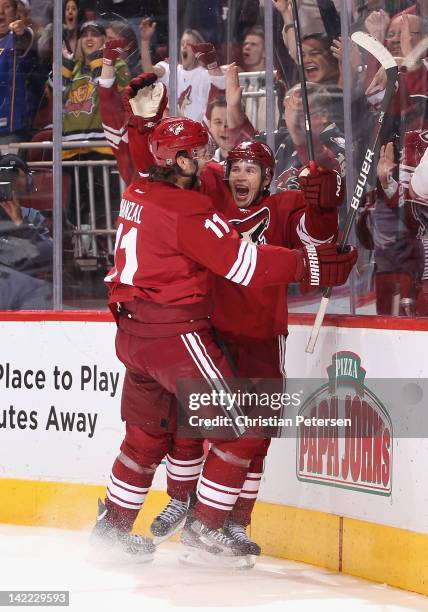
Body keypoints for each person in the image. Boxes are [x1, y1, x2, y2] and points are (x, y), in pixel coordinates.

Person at [99, 72, 350, 557]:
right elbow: (245, 263)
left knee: (146, 434)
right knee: (242, 421)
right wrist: (310, 265)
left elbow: (139, 158)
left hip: (132, 334)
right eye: (197, 154)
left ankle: (111, 527)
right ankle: (205, 523)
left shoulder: (138, 191)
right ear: (180, 160)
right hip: (177, 331)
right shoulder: (189, 206)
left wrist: (140, 123)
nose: (207, 161)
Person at [140, 19, 226, 122]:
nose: (184, 46)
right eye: (182, 43)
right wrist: (145, 41)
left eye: (189, 44)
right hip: (175, 132)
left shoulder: (206, 75)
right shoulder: (172, 70)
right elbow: (149, 70)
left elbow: (220, 90)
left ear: (198, 50)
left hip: (199, 133)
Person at [0, 153, 52, 309]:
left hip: (27, 285)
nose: (13, 182)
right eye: (7, 176)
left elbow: (49, 255)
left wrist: (20, 224)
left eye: (18, 176)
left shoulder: (32, 216)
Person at [0, 0, 37, 149]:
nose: (0, 13)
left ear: (16, 13)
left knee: (7, 172)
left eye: (6, 7)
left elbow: (24, 39)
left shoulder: (16, 37)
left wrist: (21, 33)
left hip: (11, 131)